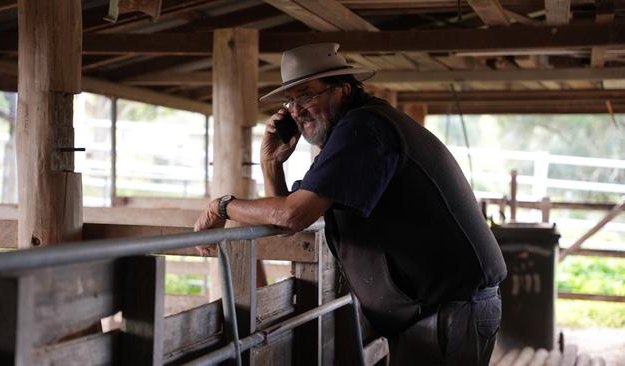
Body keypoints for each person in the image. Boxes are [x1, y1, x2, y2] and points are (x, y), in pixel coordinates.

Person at [194, 43, 507, 365]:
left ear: (342, 90)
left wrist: (220, 206)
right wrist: (271, 163)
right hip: (438, 307)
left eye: (306, 95)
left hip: (448, 310)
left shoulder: (365, 128)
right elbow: (288, 215)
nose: (296, 110)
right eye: (290, 100)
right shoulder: (358, 133)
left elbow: (292, 215)